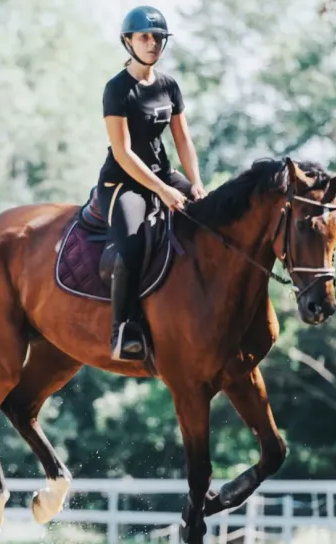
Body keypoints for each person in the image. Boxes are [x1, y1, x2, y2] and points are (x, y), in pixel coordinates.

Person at [97, 5, 207, 361]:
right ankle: (123, 330)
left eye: (158, 37)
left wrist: (196, 183)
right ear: (128, 41)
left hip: (163, 175)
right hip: (122, 183)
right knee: (131, 247)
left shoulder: (169, 86)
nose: (152, 43)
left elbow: (183, 140)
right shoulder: (117, 89)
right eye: (144, 37)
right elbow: (124, 153)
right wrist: (163, 191)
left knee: (211, 215)